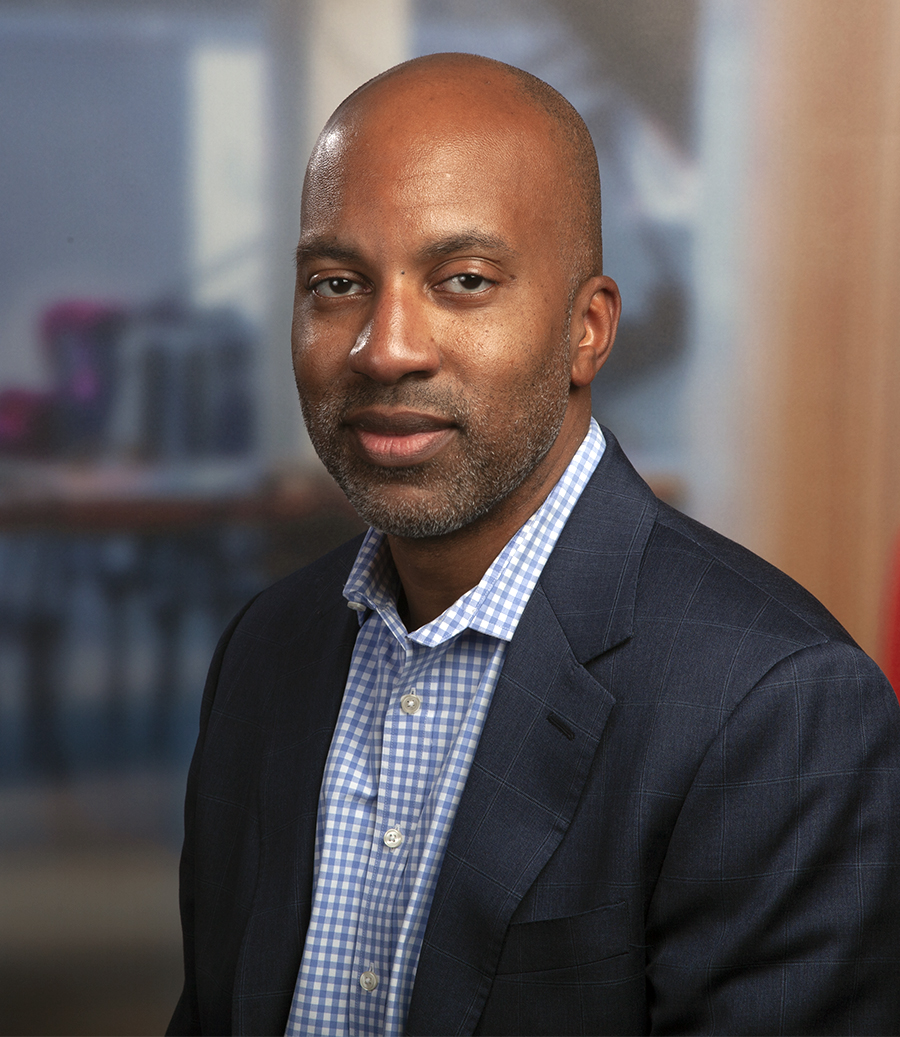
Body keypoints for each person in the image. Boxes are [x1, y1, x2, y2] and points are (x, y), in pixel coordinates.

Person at [168, 53, 900, 1037]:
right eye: (337, 282)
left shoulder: (776, 707)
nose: (384, 348)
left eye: (463, 280)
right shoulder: (266, 650)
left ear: (587, 330)